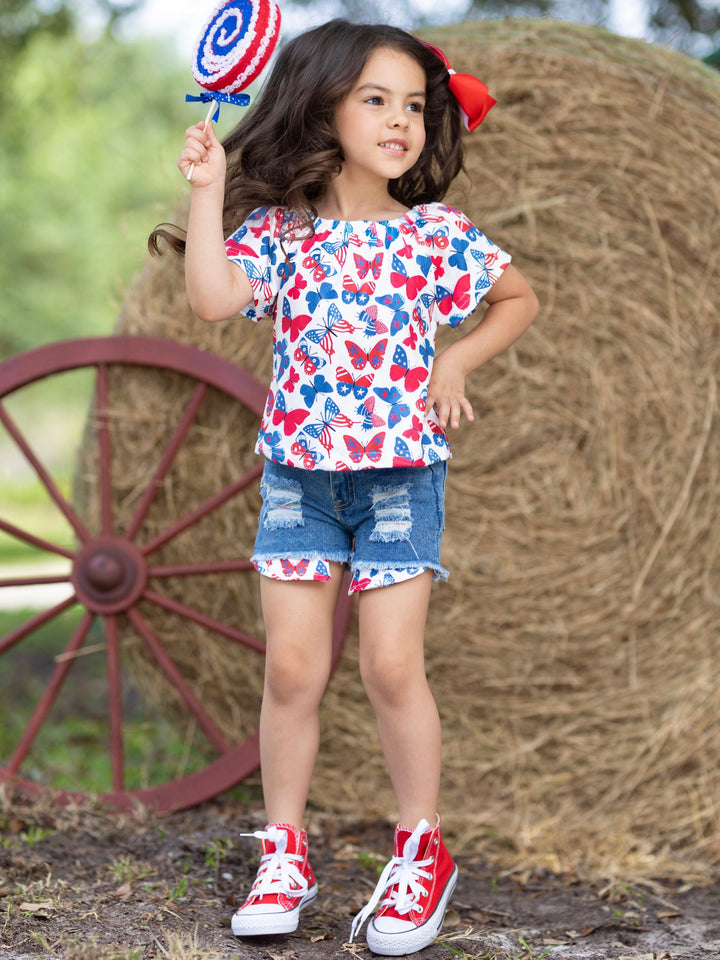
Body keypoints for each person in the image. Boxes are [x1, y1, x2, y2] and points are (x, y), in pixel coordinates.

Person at [150, 17, 538, 956]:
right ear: (323, 107)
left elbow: (518, 299)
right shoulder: (283, 233)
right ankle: (282, 852)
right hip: (300, 478)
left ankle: (421, 852)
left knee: (390, 667)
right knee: (293, 670)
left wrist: (456, 362)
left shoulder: (436, 234)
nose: (401, 120)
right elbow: (212, 298)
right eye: (376, 100)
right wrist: (206, 192)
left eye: (415, 106)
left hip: (400, 478)